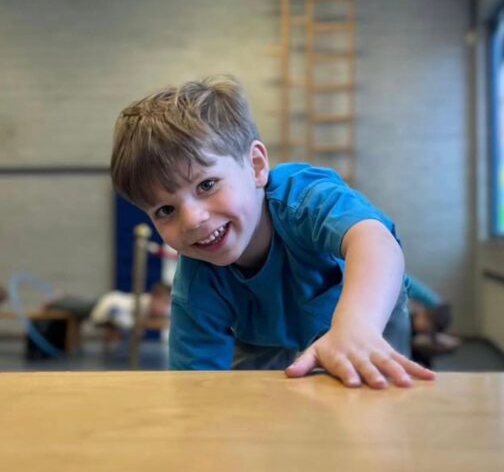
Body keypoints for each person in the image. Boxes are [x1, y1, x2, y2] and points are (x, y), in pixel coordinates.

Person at [110, 76, 435, 389]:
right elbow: (192, 388)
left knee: (369, 387)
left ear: (256, 165)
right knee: (254, 399)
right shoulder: (196, 285)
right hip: (265, 340)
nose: (193, 220)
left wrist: (357, 326)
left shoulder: (303, 199)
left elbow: (377, 242)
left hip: (365, 316)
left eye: (206, 185)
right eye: (166, 210)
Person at [24, 282, 171, 358]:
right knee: (83, 308)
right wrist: (133, 325)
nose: (165, 307)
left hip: (110, 305)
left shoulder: (148, 305)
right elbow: (117, 312)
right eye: (164, 302)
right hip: (108, 305)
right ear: (154, 298)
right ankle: (57, 300)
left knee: (85, 306)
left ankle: (60, 299)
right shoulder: (140, 303)